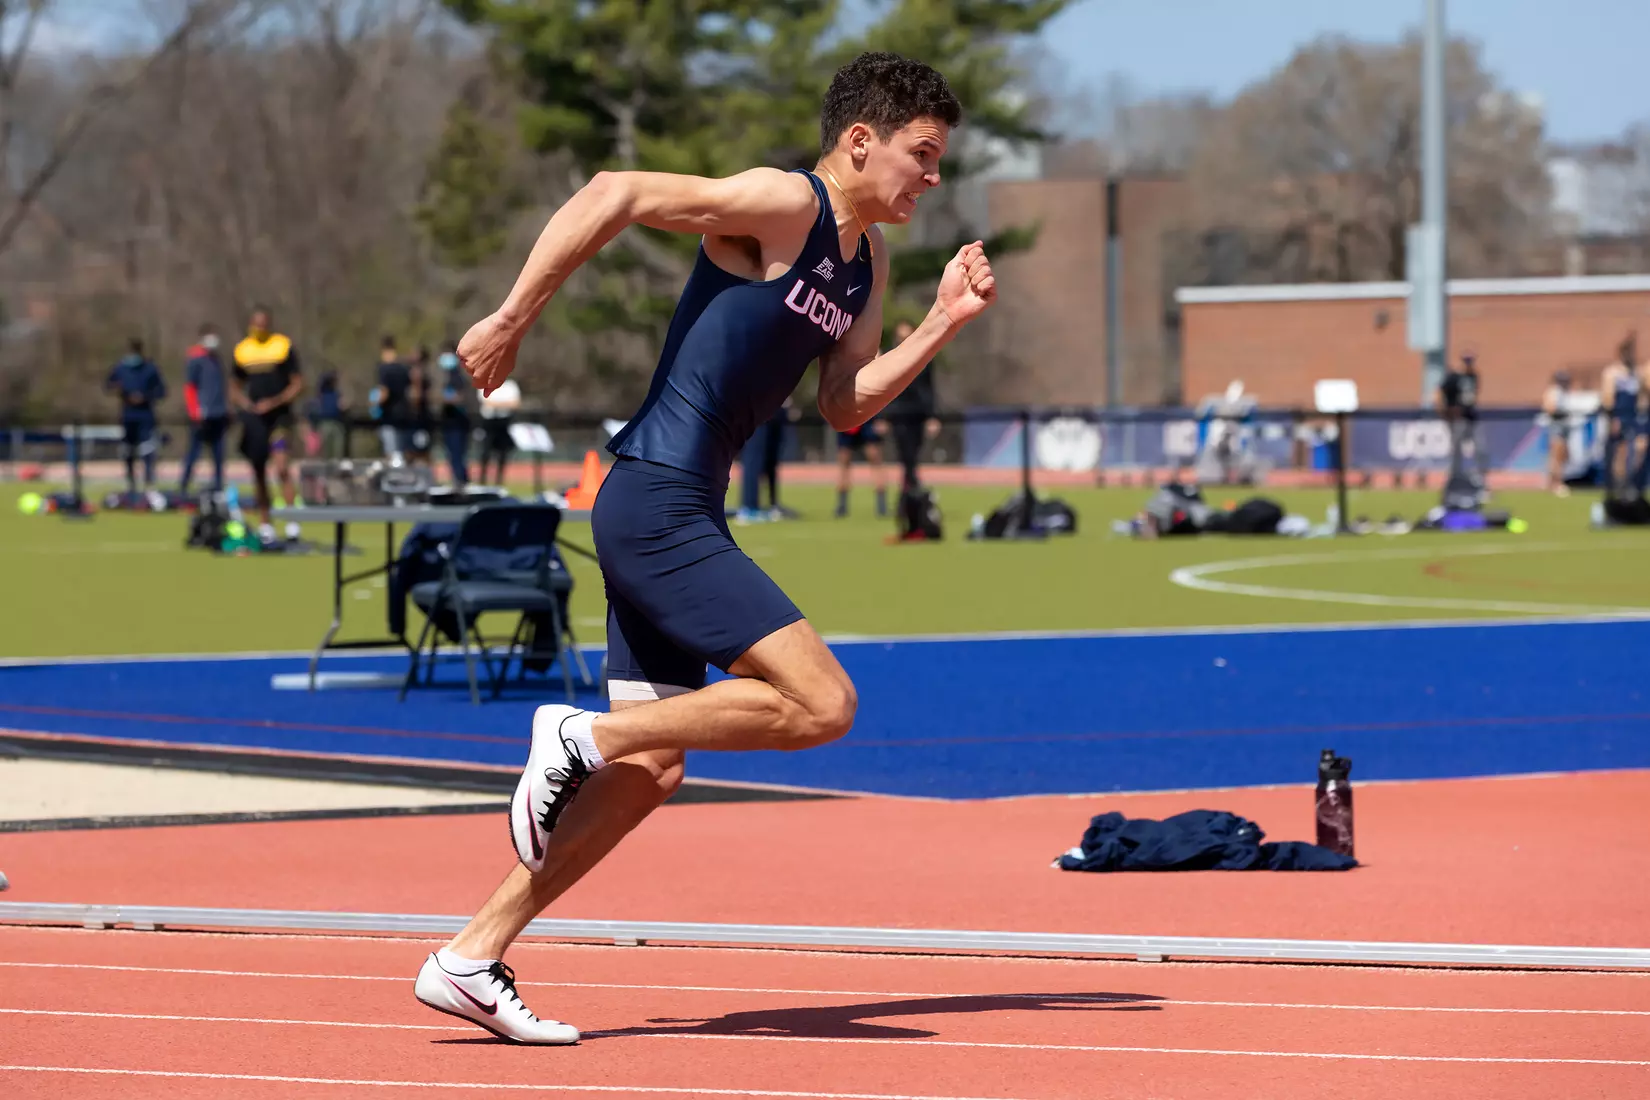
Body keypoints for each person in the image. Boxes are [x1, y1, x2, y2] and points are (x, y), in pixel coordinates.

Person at [417, 52, 991, 1043]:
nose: (933, 180)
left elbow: (844, 404)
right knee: (822, 702)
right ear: (862, 140)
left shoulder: (866, 260)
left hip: (684, 506)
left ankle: (470, 952)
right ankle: (576, 737)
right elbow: (618, 190)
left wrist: (940, 322)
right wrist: (514, 315)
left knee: (655, 770)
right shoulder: (782, 204)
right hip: (654, 500)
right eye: (923, 156)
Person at [230, 306, 304, 531]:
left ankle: (292, 522)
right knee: (259, 471)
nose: (259, 328)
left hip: (279, 418)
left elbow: (297, 383)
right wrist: (246, 404)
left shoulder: (282, 346)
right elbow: (234, 387)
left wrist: (274, 402)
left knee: (282, 466)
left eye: (263, 324)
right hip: (256, 421)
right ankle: (266, 524)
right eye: (256, 324)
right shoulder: (243, 351)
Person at [881, 318, 941, 492]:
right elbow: (883, 388)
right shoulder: (890, 357)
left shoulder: (925, 357)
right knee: (906, 454)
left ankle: (909, 492)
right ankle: (912, 490)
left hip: (918, 412)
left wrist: (932, 416)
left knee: (913, 454)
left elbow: (929, 388)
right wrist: (882, 416)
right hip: (898, 412)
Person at [105, 338, 166, 497]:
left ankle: (149, 482)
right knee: (128, 450)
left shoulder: (150, 368)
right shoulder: (121, 368)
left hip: (145, 415)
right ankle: (130, 482)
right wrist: (120, 390)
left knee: (147, 449)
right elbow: (108, 385)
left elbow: (161, 391)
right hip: (128, 415)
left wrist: (145, 397)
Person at [179, 324, 229, 497]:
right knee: (194, 452)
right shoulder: (195, 359)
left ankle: (218, 485)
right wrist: (195, 410)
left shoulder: (216, 360)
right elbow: (190, 387)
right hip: (201, 415)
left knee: (219, 454)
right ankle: (184, 486)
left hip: (218, 413)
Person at [1437, 349, 1486, 493]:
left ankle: (1479, 479)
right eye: (1466, 360)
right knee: (1456, 450)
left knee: (1480, 448)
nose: (1468, 363)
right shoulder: (1453, 376)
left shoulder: (1473, 375)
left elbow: (1475, 393)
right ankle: (1454, 477)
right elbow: (1440, 392)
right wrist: (1443, 411)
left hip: (1471, 416)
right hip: (1457, 417)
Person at [1601, 335, 1643, 494]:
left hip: (1633, 417)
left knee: (1636, 450)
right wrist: (1613, 418)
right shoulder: (1612, 373)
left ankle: (1629, 481)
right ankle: (1617, 484)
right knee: (1619, 452)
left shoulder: (1636, 373)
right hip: (1618, 417)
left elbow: (1641, 396)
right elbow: (1608, 398)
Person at [833, 413, 887, 518]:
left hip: (868, 417)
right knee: (844, 462)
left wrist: (881, 418)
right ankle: (842, 506)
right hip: (847, 417)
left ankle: (881, 506)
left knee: (875, 460)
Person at [437, 341, 474, 485]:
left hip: (458, 422)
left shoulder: (458, 376)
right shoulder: (445, 377)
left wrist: (445, 399)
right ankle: (457, 479)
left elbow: (461, 397)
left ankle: (461, 480)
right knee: (452, 455)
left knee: (458, 454)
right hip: (448, 421)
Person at [371, 336, 412, 461]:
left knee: (391, 450)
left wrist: (374, 404)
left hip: (389, 415)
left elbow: (384, 392)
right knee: (401, 449)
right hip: (404, 412)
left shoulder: (384, 368)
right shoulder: (403, 368)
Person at [1540, 370, 1580, 497]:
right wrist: (1563, 414)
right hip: (1557, 426)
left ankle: (1553, 482)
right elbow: (1549, 408)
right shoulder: (1554, 392)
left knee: (1562, 456)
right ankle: (1556, 483)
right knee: (1556, 456)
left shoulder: (1565, 393)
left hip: (1564, 427)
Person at [477, 376, 520, 486]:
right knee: (485, 453)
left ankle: (499, 482)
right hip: (489, 423)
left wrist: (498, 404)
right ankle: (482, 482)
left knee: (502, 454)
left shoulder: (510, 386)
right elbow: (487, 402)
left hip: (504, 422)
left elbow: (515, 403)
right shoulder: (485, 383)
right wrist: (505, 404)